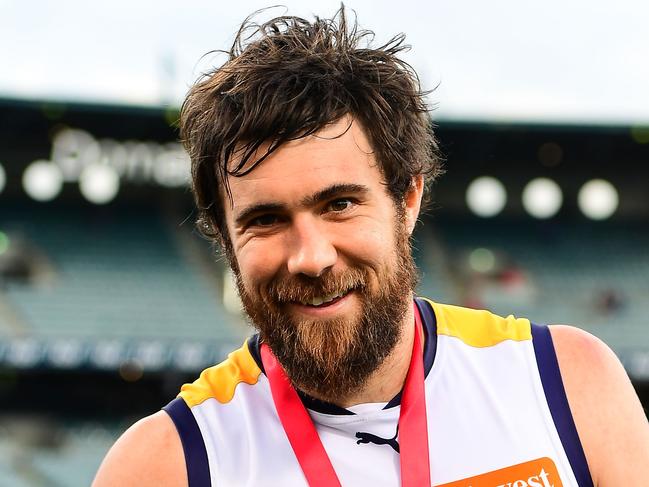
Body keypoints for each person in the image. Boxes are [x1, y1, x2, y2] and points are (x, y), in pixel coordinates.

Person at [93, 7, 649, 487]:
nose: (311, 257)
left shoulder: (570, 385)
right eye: (265, 219)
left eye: (339, 204)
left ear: (407, 200)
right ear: (224, 237)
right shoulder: (161, 465)